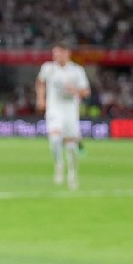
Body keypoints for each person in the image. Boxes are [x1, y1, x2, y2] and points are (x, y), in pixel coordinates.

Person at [35, 40, 90, 190]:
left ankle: (72, 173)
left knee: (71, 145)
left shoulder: (77, 70)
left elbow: (86, 92)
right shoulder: (48, 68)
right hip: (54, 109)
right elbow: (40, 82)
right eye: (54, 53)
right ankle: (59, 164)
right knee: (54, 138)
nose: (56, 56)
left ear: (67, 53)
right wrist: (40, 98)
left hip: (70, 110)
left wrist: (75, 91)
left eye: (59, 53)